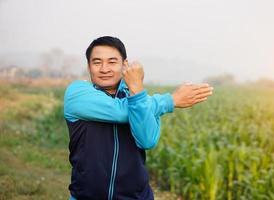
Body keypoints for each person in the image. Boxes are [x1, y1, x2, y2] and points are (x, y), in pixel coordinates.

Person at [64, 36, 213, 200]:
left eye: (112, 62)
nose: (104, 68)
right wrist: (171, 100)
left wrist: (136, 89)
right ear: (89, 66)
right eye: (97, 62)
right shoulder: (77, 93)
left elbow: (147, 141)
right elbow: (120, 111)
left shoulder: (140, 99)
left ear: (124, 65)